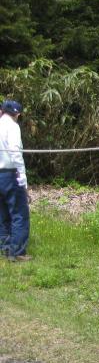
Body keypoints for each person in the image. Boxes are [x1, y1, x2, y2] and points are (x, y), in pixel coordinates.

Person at [0, 99, 31, 261]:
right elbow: (15, 153)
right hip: (11, 173)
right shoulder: (13, 127)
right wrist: (23, 179)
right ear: (17, 114)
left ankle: (5, 247)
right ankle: (17, 252)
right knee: (19, 212)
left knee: (2, 212)